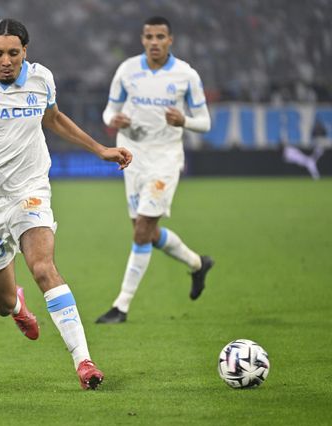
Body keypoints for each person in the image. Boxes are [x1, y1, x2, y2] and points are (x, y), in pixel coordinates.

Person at [0, 18, 132, 390]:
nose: (6, 61)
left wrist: (100, 149)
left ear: (24, 52)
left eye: (13, 53)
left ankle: (84, 361)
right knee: (0, 302)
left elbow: (54, 118)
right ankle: (17, 306)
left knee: (43, 267)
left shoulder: (40, 78)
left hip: (29, 189)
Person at [96, 16, 214, 324]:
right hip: (132, 156)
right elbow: (109, 110)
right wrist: (113, 120)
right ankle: (197, 263)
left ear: (170, 40)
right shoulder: (127, 70)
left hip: (165, 158)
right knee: (145, 231)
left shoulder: (186, 75)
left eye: (160, 37)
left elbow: (205, 122)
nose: (154, 42)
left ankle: (121, 306)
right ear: (142, 39)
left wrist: (184, 121)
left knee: (141, 231)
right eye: (149, 36)